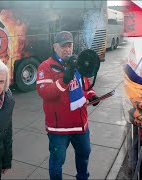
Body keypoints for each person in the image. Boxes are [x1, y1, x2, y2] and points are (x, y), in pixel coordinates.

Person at [36, 31, 99, 180]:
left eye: (69, 45)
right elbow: (44, 93)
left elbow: (85, 85)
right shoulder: (45, 67)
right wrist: (64, 80)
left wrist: (92, 95)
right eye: (63, 46)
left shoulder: (77, 62)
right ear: (55, 47)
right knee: (57, 161)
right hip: (58, 128)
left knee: (84, 155)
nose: (67, 49)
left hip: (81, 125)